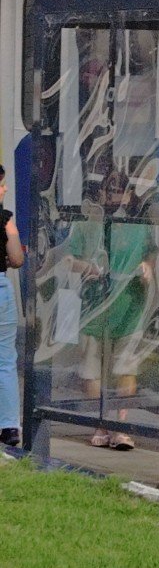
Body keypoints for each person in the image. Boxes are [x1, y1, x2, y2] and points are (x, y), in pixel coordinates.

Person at [67, 171, 152, 450]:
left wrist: (147, 267)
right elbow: (69, 258)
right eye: (110, 191)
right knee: (92, 373)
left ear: (129, 195)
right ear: (102, 193)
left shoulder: (140, 224)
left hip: (129, 308)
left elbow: (151, 254)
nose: (114, 197)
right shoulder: (87, 224)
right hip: (94, 311)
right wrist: (87, 268)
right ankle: (101, 422)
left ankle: (121, 426)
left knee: (125, 369)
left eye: (120, 192)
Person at [0, 164, 23, 448]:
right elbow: (17, 258)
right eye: (1, 184)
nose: (4, 189)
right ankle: (9, 426)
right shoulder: (5, 220)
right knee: (5, 360)